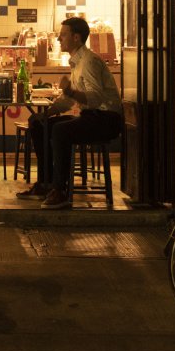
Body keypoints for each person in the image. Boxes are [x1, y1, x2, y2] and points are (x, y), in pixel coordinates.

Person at [39, 17, 125, 209]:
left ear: (76, 37)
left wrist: (70, 91)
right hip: (91, 117)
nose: (59, 39)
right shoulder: (77, 61)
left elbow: (95, 98)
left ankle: (60, 191)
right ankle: (45, 183)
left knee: (60, 131)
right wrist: (49, 112)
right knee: (40, 124)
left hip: (106, 119)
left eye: (63, 35)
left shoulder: (89, 61)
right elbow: (71, 100)